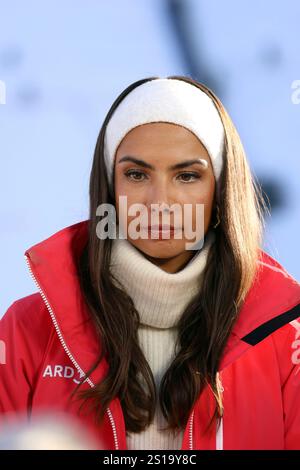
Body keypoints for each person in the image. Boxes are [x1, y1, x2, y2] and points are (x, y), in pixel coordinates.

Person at [0, 76, 300, 451]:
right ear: (109, 187)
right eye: (136, 174)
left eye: (187, 175)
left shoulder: (286, 340)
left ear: (221, 189)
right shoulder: (25, 329)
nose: (160, 202)